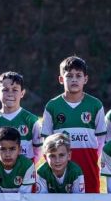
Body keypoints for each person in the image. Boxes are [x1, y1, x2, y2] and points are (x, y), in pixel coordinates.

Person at [40, 56, 107, 193]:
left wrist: (92, 157)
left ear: (85, 79)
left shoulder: (95, 105)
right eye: (69, 76)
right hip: (60, 169)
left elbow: (100, 141)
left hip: (88, 165)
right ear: (61, 79)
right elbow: (45, 142)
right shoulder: (52, 106)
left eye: (78, 75)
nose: (74, 79)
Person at [0, 71, 42, 163]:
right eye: (5, 90)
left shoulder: (32, 120)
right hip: (0, 175)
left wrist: (29, 168)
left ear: (22, 93)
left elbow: (38, 151)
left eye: (15, 90)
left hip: (25, 174)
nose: (10, 93)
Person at [0, 127, 37, 193]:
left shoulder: (28, 165)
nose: (8, 154)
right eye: (3, 149)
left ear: (19, 150)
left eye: (12, 149)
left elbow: (25, 196)